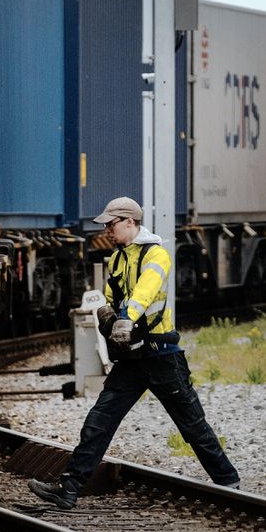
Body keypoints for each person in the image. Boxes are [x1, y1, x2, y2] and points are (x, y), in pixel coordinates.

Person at [28, 196, 240, 508]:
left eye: (111, 225)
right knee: (99, 421)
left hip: (161, 355)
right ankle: (69, 488)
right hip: (131, 358)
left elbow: (145, 291)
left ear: (130, 222)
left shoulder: (157, 255)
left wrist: (127, 318)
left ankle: (230, 485)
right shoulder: (117, 259)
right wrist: (107, 316)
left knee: (193, 425)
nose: (107, 231)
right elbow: (110, 297)